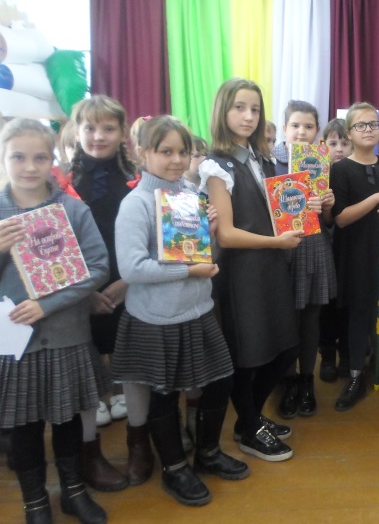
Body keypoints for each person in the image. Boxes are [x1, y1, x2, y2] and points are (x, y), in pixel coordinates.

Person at [113, 116, 248, 507]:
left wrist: (212, 234)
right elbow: (132, 269)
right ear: (143, 152)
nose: (176, 160)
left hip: (198, 310)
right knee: (164, 395)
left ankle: (208, 453)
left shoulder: (190, 194)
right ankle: (174, 468)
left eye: (183, 152)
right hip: (157, 319)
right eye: (165, 151)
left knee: (220, 381)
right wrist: (188, 271)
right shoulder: (136, 204)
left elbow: (204, 256)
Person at [0, 119, 111, 524]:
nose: (30, 167)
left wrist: (48, 305)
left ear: (53, 159)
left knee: (67, 419)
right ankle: (35, 502)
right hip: (15, 341)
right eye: (18, 157)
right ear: (3, 158)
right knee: (25, 426)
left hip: (66, 334)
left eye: (40, 157)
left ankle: (73, 491)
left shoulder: (72, 209)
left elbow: (98, 266)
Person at [200, 78, 303, 461]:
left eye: (255, 109)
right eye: (239, 107)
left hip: (270, 264)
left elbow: (276, 210)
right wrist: (277, 242)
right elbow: (226, 235)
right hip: (242, 271)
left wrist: (306, 207)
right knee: (249, 353)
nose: (248, 116)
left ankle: (251, 418)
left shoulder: (260, 158)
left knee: (284, 347)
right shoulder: (216, 165)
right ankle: (248, 426)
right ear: (223, 111)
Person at [70, 95, 137, 491]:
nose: (99, 136)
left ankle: (122, 390)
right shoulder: (63, 183)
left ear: (122, 133)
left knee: (123, 334)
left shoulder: (135, 179)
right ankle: (97, 395)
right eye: (90, 128)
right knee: (89, 340)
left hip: (127, 276)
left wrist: (127, 281)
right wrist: (86, 293)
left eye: (108, 128)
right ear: (76, 132)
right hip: (81, 286)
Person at [330, 103, 379, 410]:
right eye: (361, 125)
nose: (369, 130)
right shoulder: (340, 169)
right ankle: (356, 375)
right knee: (359, 312)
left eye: (373, 124)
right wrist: (377, 198)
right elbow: (340, 218)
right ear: (349, 133)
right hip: (355, 251)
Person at [274, 100, 336, 420]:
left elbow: (329, 221)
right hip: (281, 248)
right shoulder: (270, 162)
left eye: (308, 126)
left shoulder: (322, 162)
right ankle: (286, 382)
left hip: (314, 245)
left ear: (316, 131)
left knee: (311, 318)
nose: (301, 132)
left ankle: (306, 380)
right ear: (284, 128)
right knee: (286, 319)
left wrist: (328, 205)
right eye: (295, 125)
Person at [319, 118, 352, 382]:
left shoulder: (354, 172)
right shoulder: (316, 175)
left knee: (346, 304)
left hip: (348, 251)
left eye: (344, 143)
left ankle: (347, 353)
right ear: (323, 146)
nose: (339, 149)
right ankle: (328, 355)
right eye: (333, 143)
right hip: (324, 251)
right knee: (327, 306)